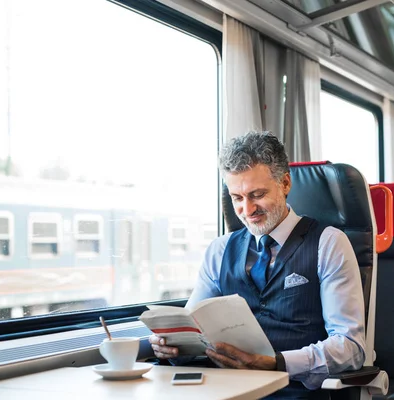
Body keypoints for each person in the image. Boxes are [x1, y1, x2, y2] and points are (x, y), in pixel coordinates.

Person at [149, 131, 366, 399]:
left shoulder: (328, 243)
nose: (247, 210)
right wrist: (171, 345)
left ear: (285, 183)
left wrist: (278, 362)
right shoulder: (220, 250)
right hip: (224, 390)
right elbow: (192, 326)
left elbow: (351, 348)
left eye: (257, 194)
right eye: (237, 198)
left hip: (294, 391)